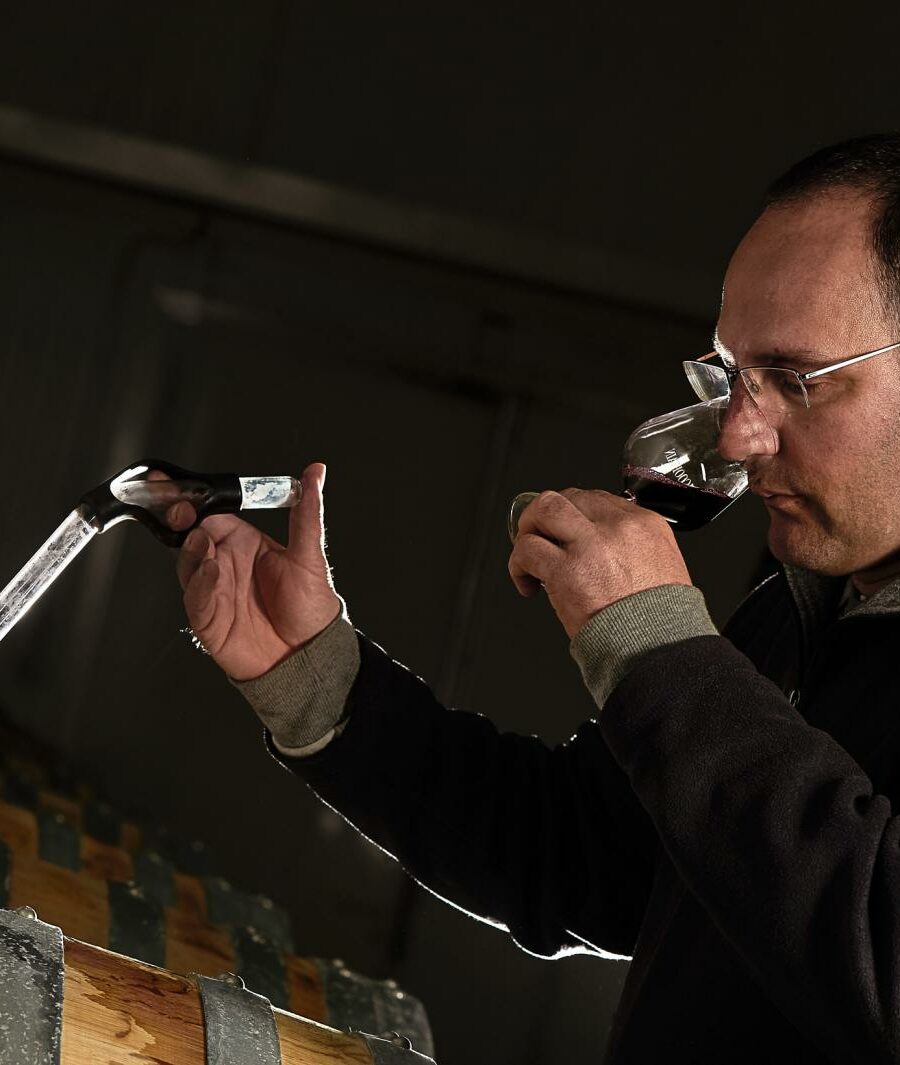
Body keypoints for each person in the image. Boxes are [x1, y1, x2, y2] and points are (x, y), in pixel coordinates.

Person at [168, 134, 900, 1064]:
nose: (738, 435)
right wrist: (318, 678)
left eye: (794, 380)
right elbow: (573, 854)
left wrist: (660, 653)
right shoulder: (796, 614)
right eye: (731, 379)